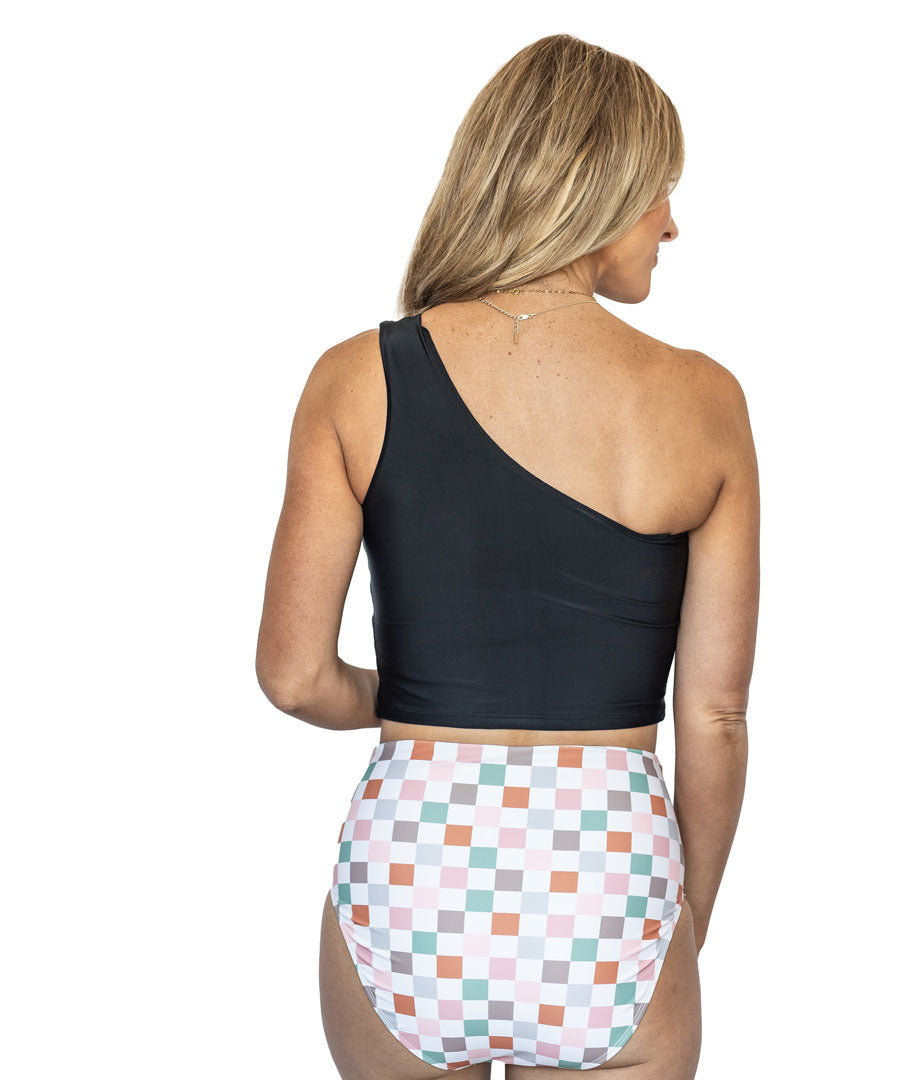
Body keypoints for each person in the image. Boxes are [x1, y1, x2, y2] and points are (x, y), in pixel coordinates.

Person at [256, 32, 759, 1080]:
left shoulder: (356, 378)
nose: (671, 222)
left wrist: (418, 698)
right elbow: (713, 717)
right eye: (658, 189)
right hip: (607, 871)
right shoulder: (703, 400)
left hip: (415, 865)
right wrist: (682, 922)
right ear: (595, 185)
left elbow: (294, 677)